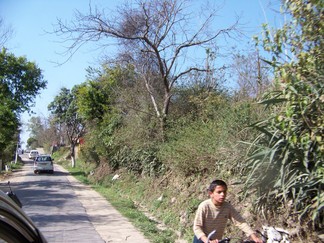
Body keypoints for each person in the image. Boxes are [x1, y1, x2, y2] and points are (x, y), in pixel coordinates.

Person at [193, 179, 263, 243]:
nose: (222, 194)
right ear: (211, 194)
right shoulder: (204, 206)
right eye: (219, 192)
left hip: (217, 241)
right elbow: (197, 227)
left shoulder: (227, 207)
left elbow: (240, 222)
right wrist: (207, 241)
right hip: (202, 239)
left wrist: (254, 237)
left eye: (224, 192)